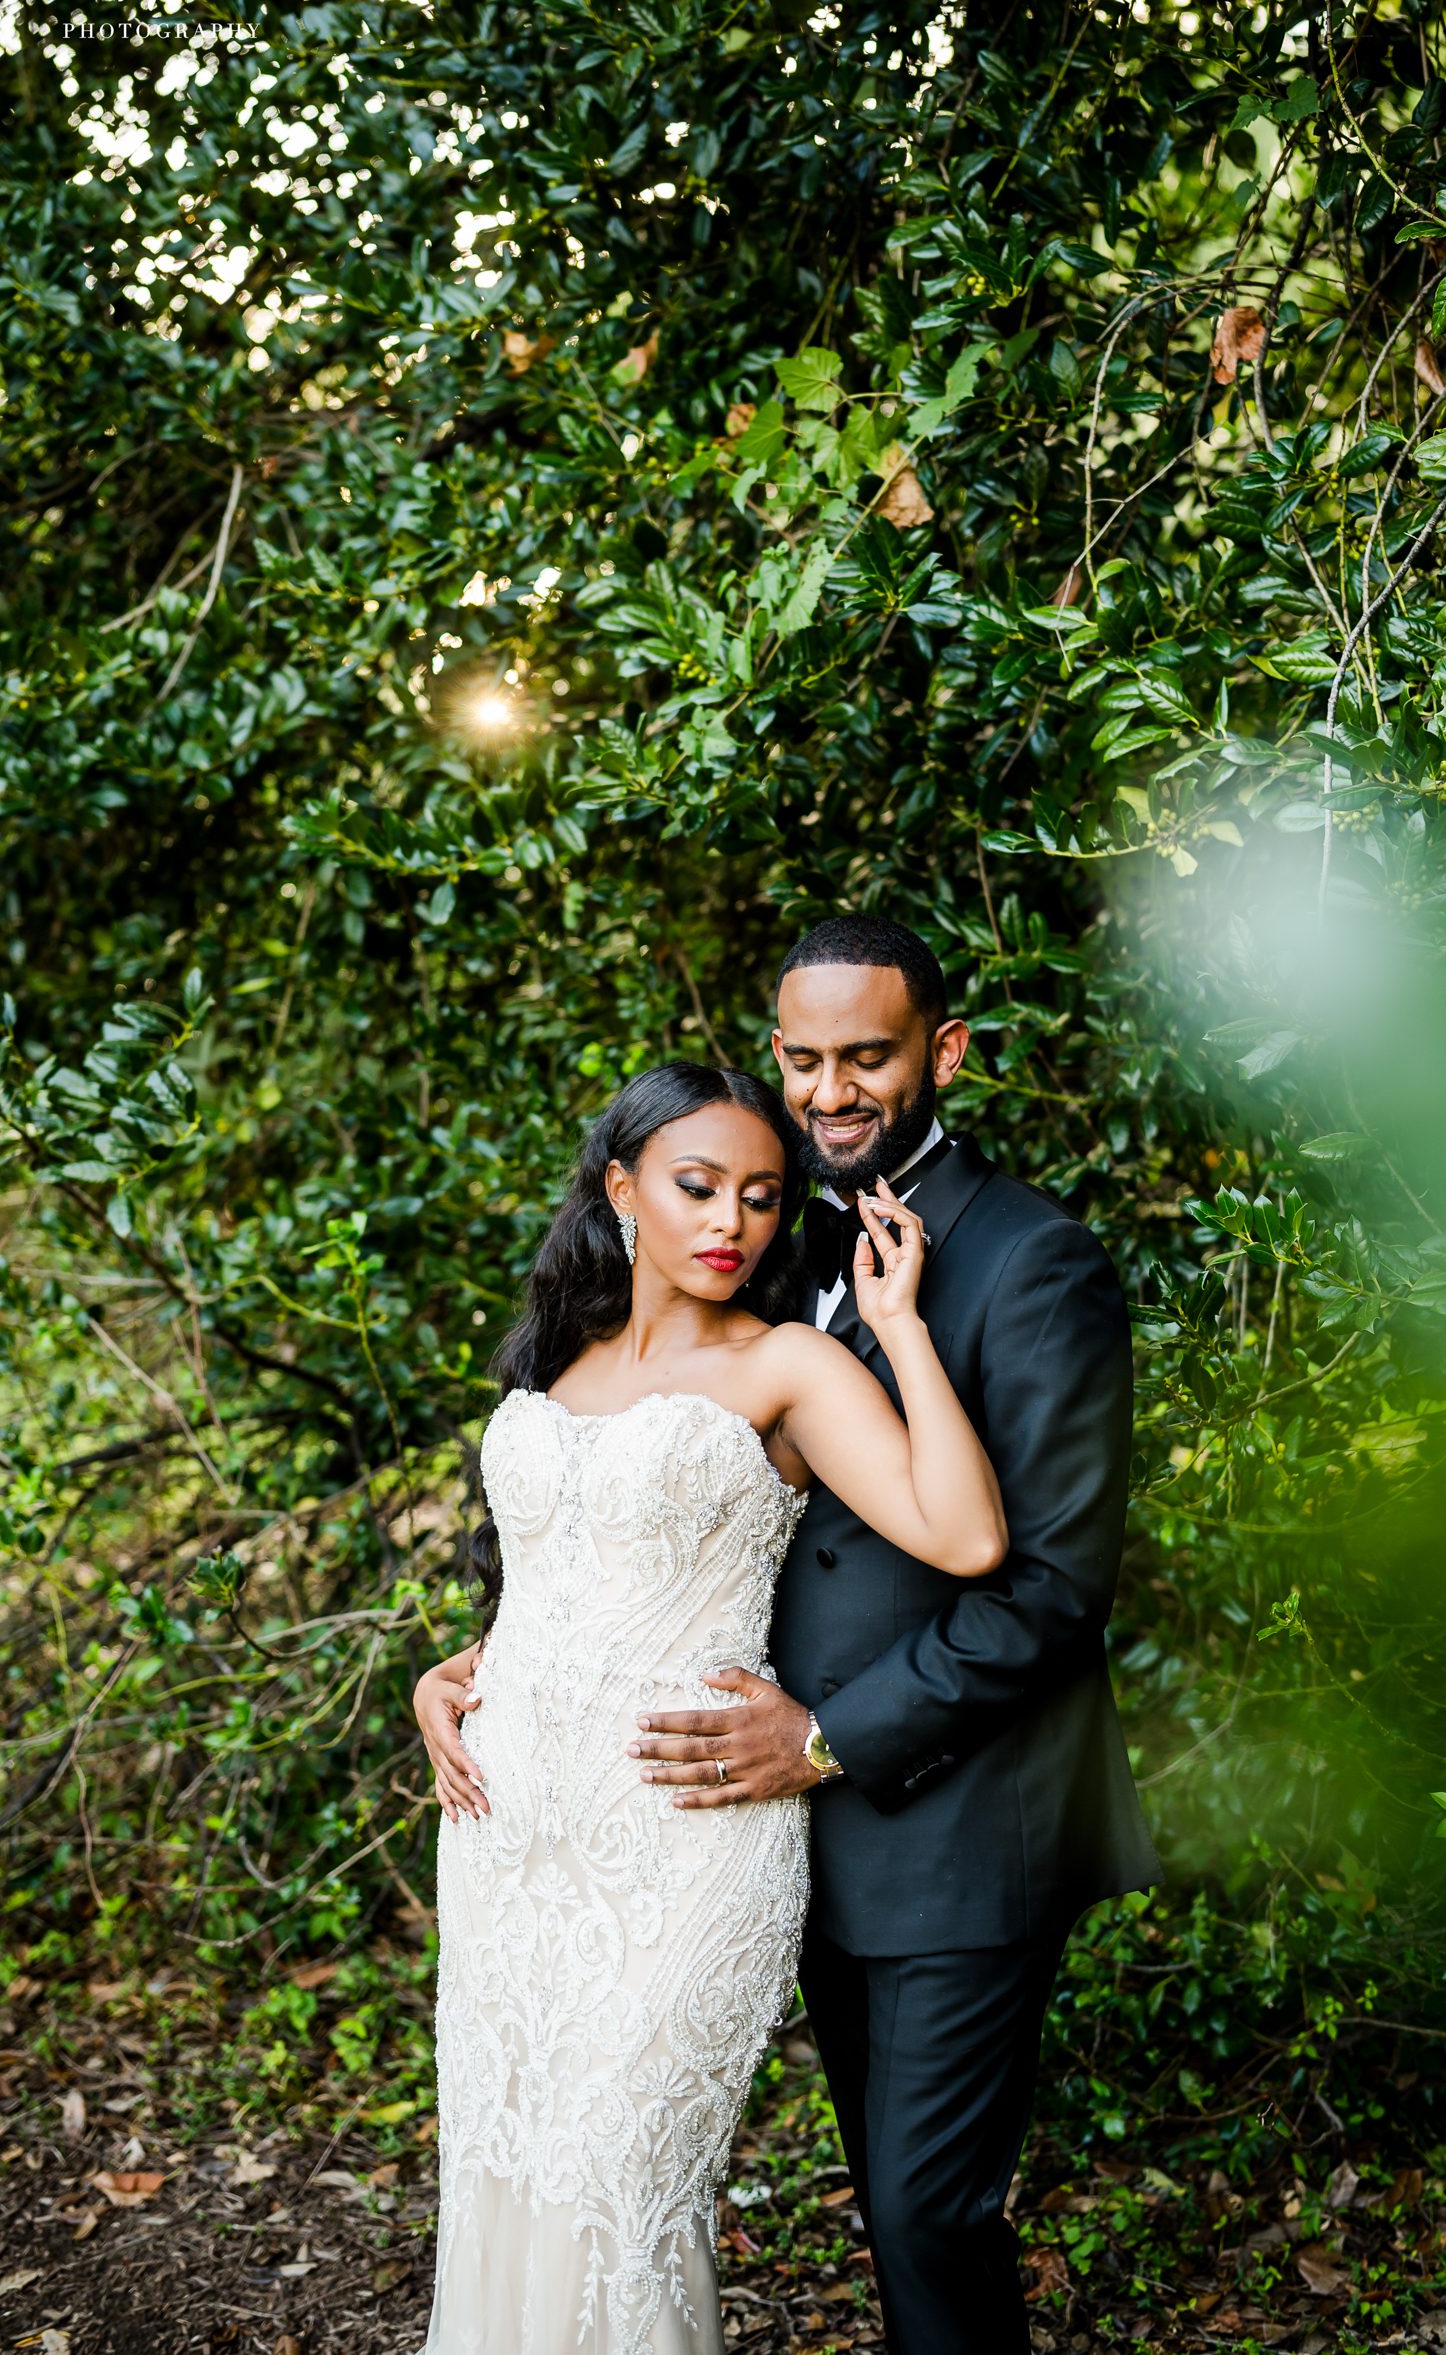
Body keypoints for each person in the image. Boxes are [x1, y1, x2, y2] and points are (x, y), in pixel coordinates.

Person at [418, 916, 1159, 2354]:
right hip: (728, 1823)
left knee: (931, 2213)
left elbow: (1052, 1588)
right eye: (806, 1060)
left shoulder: (1032, 1261)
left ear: (939, 1053)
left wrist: (822, 1738)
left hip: (953, 1820)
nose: (832, 1091)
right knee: (883, 2216)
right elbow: (651, 1513)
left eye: (867, 1057)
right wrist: (477, 1668)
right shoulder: (769, 1241)